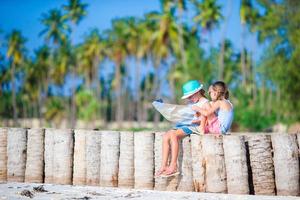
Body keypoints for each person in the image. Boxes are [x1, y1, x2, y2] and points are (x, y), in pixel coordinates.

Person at [155, 80, 209, 178]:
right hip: (186, 124)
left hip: (194, 126)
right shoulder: (191, 103)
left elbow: (208, 118)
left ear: (198, 92)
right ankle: (163, 165)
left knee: (173, 135)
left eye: (190, 96)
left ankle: (173, 165)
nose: (189, 99)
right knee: (165, 136)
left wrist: (196, 121)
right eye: (188, 97)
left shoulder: (205, 103)